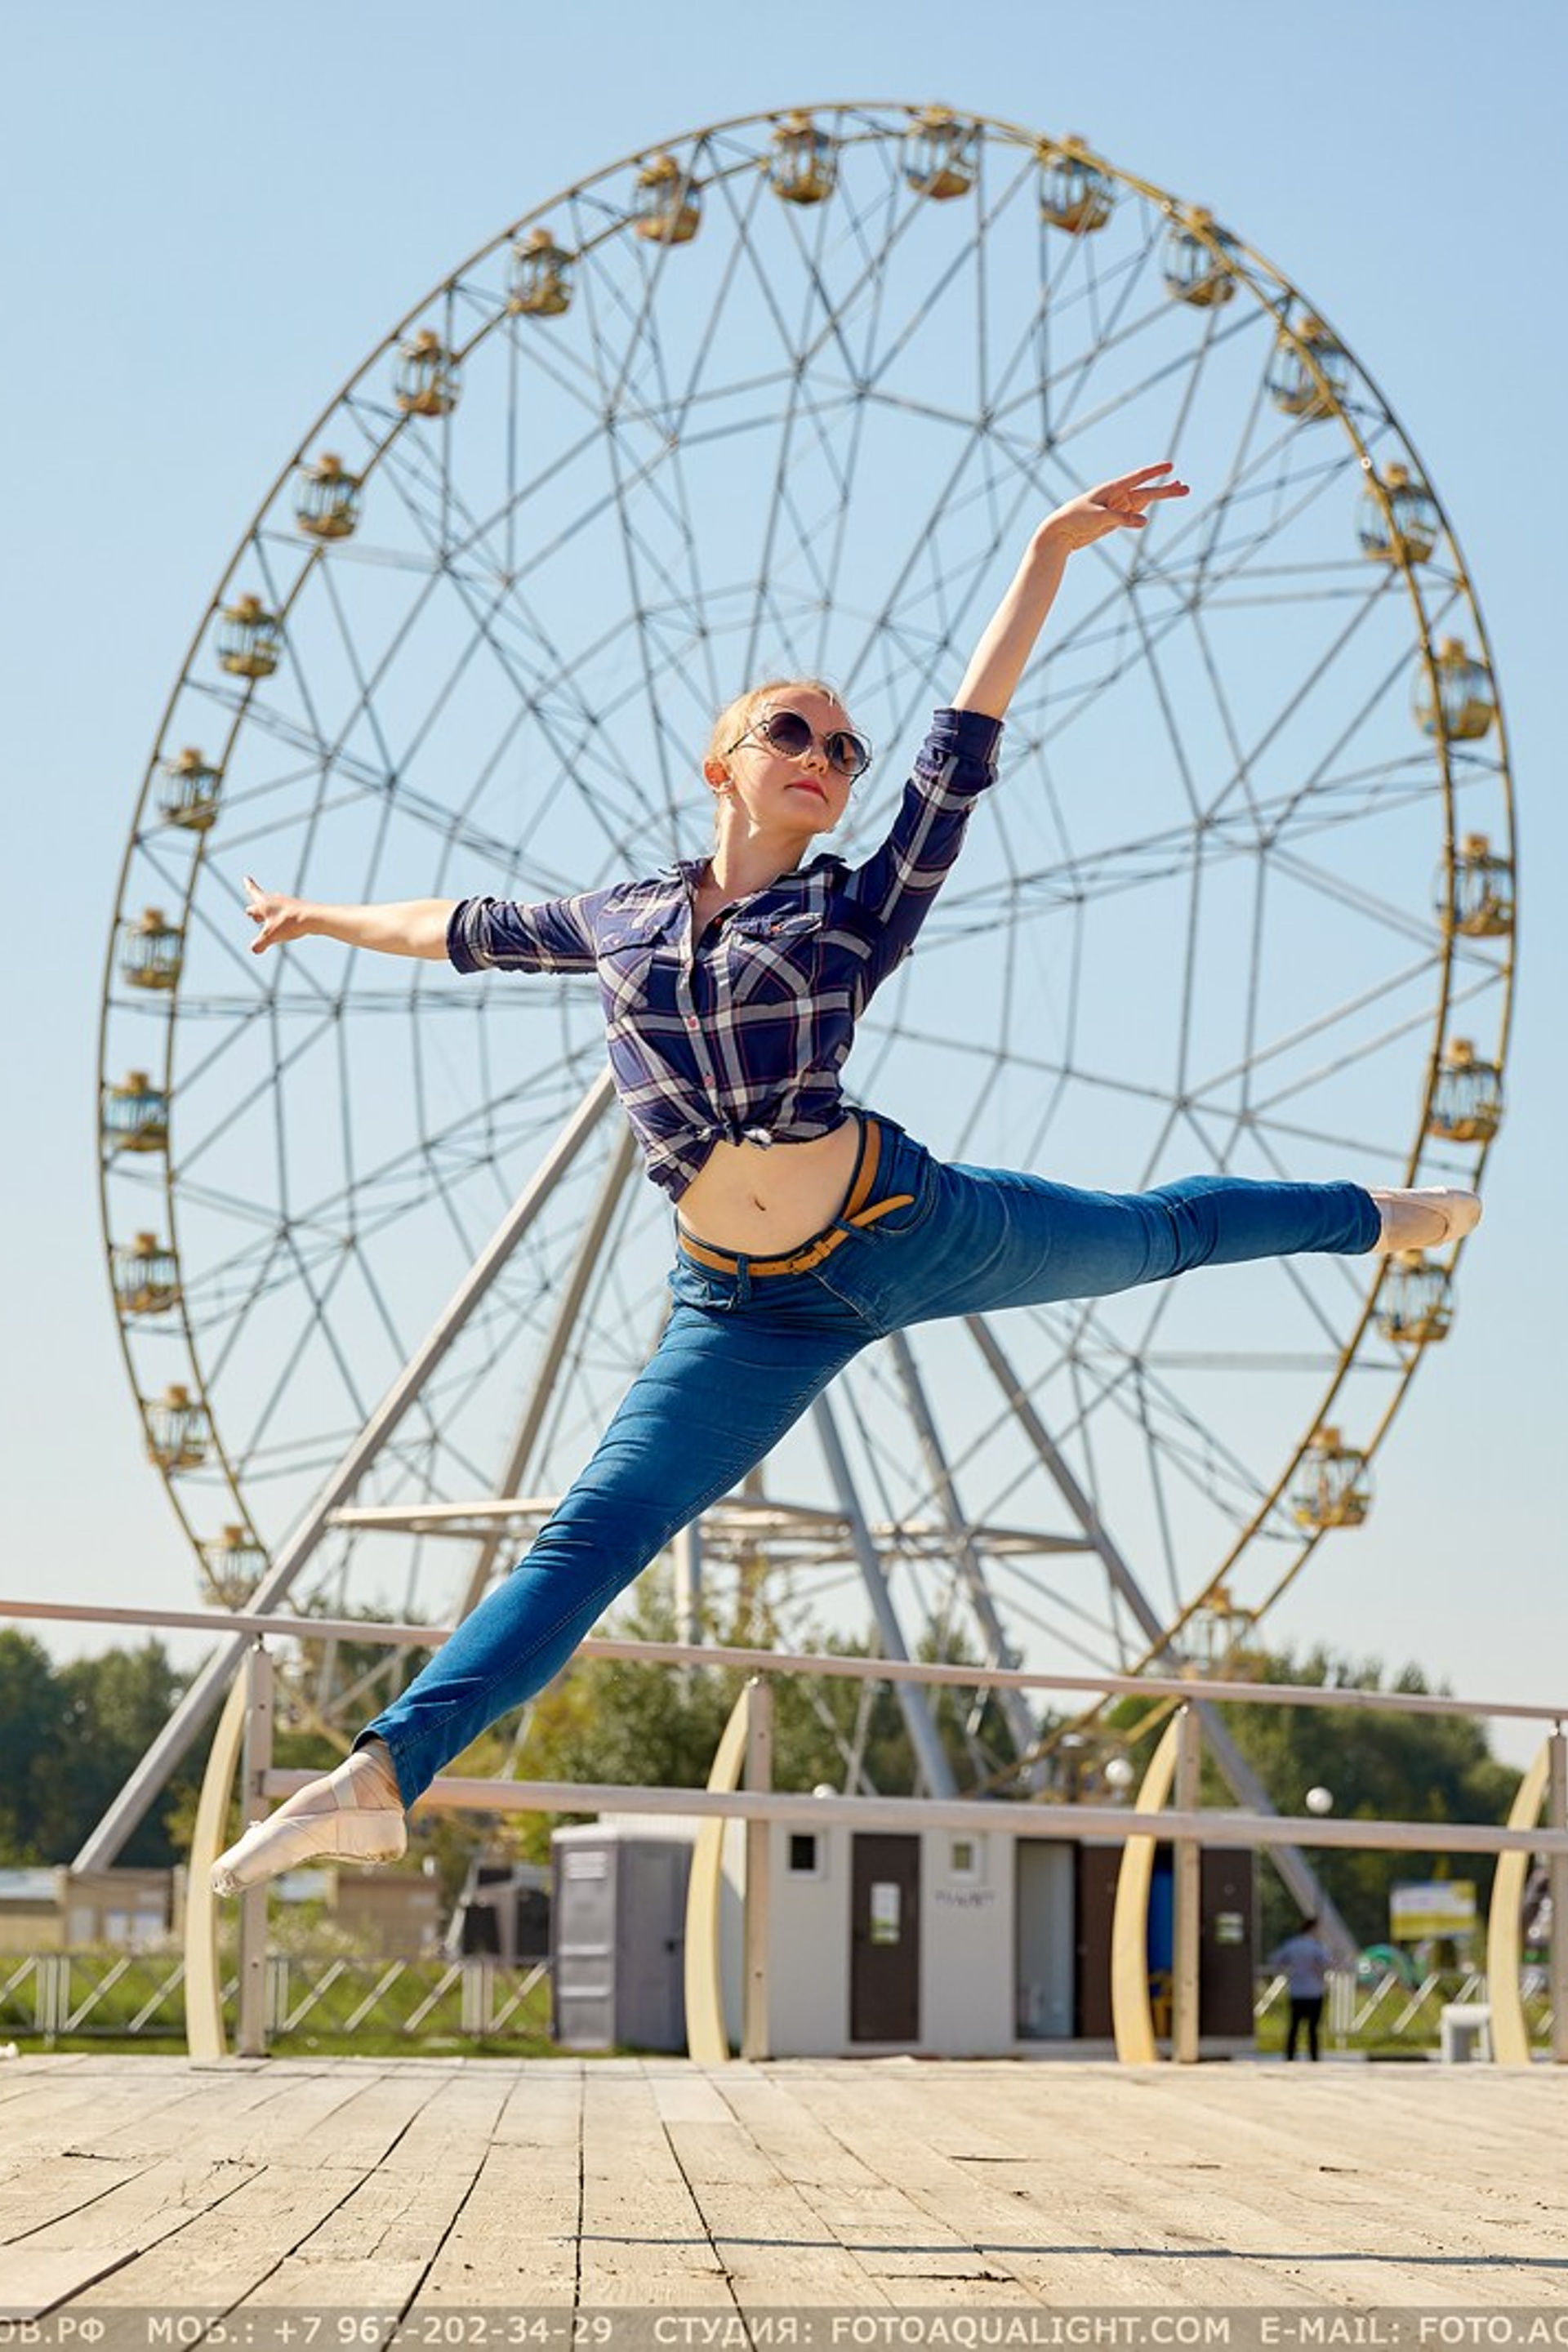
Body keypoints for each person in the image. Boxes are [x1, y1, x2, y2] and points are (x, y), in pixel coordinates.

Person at [212, 462, 1481, 1895]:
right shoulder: (617, 918)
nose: (825, 751)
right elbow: (457, 924)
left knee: (1153, 1236)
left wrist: (1047, 551)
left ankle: (1372, 1216)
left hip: (897, 1228)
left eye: (841, 746)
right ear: (725, 762)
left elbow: (965, 735)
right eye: (792, 730)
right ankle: (384, 1776)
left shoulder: (854, 907)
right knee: (595, 1534)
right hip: (741, 1309)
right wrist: (314, 915)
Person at [1268, 1915, 1335, 2060]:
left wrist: (1288, 1971)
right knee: (1313, 2028)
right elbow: (1328, 1963)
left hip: (1296, 1991)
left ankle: (1290, 2055)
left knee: (1294, 2027)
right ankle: (1313, 2056)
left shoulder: (1291, 1945)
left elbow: (1275, 1960)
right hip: (1314, 1992)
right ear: (1313, 1929)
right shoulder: (1316, 1947)